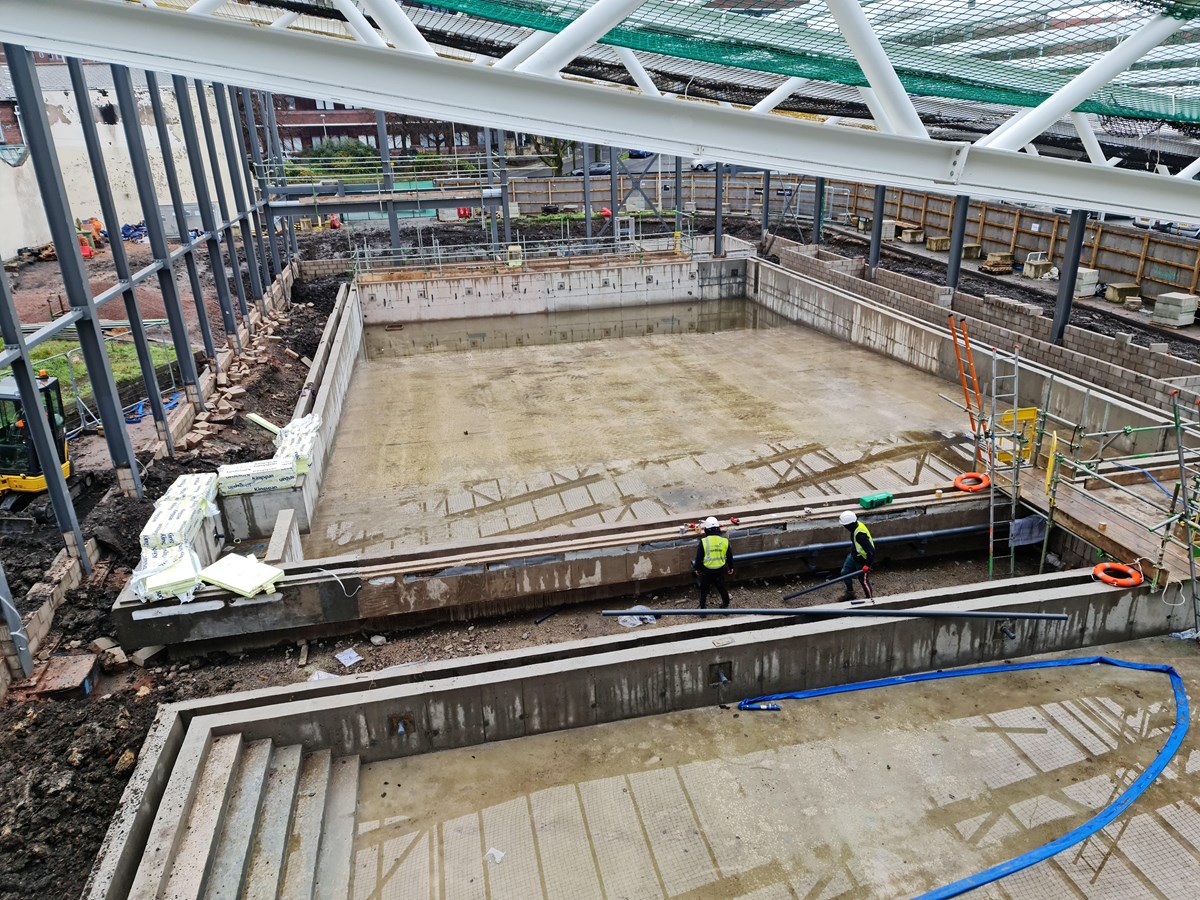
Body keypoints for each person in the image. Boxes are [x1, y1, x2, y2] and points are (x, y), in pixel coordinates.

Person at [692, 516, 733, 609]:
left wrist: (697, 569)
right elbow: (730, 556)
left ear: (707, 529)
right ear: (718, 529)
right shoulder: (725, 541)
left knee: (704, 590)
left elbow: (699, 558)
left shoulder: (704, 542)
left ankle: (702, 610)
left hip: (707, 571)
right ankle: (725, 605)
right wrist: (731, 567)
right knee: (722, 588)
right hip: (720, 570)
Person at [838, 510, 875, 603]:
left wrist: (867, 565)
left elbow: (871, 552)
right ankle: (850, 593)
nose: (844, 527)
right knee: (845, 573)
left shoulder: (860, 535)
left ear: (849, 525)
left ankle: (870, 600)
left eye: (845, 525)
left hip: (862, 560)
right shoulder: (855, 525)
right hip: (854, 555)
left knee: (863, 580)